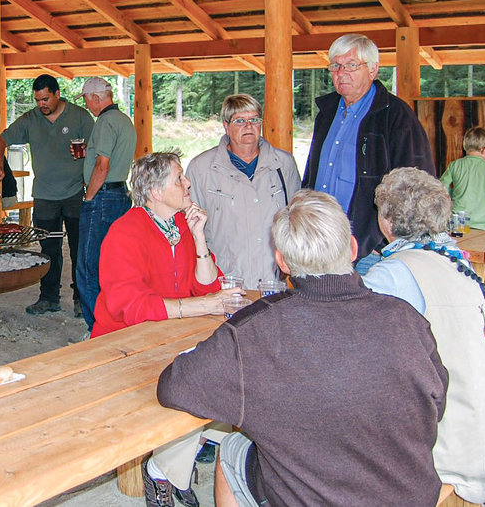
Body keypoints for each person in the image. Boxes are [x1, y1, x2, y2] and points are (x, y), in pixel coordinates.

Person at [157, 190, 448, 507]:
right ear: (352, 248)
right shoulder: (407, 318)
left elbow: (173, 387)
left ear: (282, 261)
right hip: (411, 496)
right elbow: (437, 403)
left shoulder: (254, 332)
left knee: (232, 448)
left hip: (316, 497)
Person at [91, 151, 232, 507]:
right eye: (179, 179)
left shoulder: (183, 225)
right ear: (154, 192)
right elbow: (133, 307)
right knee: (195, 387)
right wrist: (199, 307)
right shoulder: (124, 233)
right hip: (122, 346)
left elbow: (207, 286)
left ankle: (173, 468)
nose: (187, 184)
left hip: (169, 338)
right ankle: (164, 471)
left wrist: (199, 239)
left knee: (230, 380)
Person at [363, 168, 485, 503]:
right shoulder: (456, 262)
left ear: (386, 219)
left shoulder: (394, 274)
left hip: (447, 456)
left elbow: (353, 349)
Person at [303, 33, 434, 273]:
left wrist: (383, 241)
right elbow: (312, 172)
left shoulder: (395, 116)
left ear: (373, 70)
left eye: (352, 65)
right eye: (335, 66)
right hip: (320, 242)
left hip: (367, 252)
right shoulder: (327, 113)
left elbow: (418, 185)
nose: (341, 72)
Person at [0, 74, 94, 316]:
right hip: (45, 196)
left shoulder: (80, 116)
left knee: (80, 249)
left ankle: (82, 300)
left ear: (58, 94)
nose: (42, 105)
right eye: (38, 100)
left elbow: (99, 150)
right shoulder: (31, 119)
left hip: (76, 194)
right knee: (49, 249)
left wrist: (86, 156)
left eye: (46, 99)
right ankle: (49, 297)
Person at [185, 94, 301, 288]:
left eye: (254, 120)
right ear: (225, 125)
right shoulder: (201, 168)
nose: (248, 126)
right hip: (223, 281)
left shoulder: (283, 164)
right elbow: (190, 229)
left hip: (272, 281)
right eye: (239, 120)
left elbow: (297, 219)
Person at [76, 77, 136, 329]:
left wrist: (89, 196)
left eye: (88, 100)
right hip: (120, 193)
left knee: (89, 266)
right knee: (114, 263)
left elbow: (102, 166)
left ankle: (95, 327)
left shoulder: (105, 121)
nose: (88, 105)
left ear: (97, 98)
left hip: (102, 198)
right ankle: (114, 321)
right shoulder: (124, 120)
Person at [439, 126, 485, 231]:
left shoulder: (455, 165)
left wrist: (452, 194)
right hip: (482, 223)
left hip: (458, 224)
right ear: (484, 149)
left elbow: (441, 187)